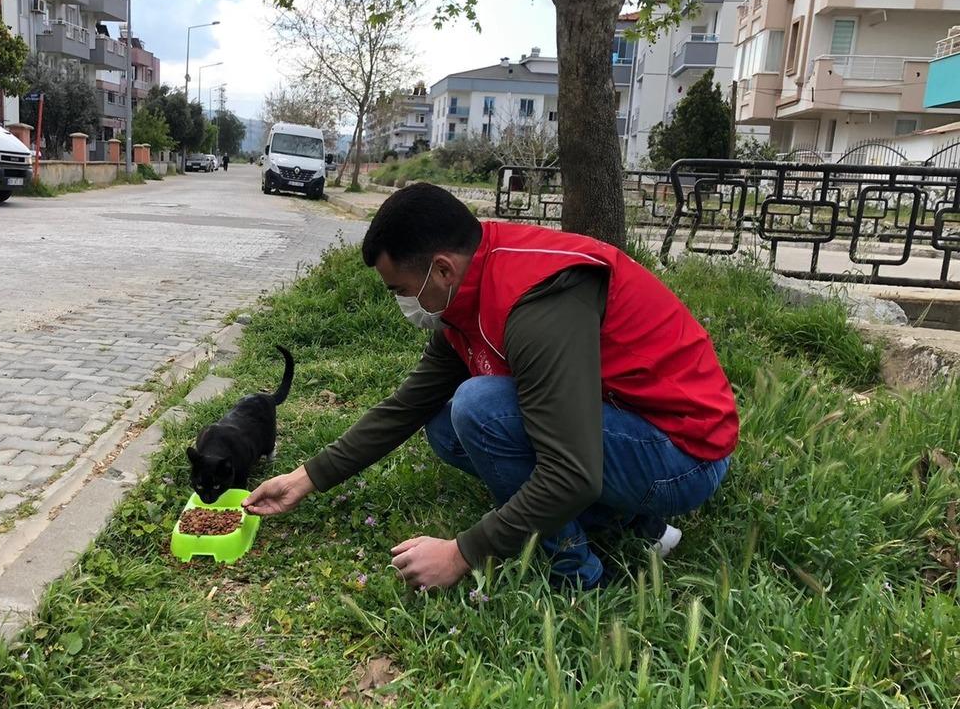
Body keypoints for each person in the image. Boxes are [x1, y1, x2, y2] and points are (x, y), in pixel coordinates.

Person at [244, 184, 738, 591]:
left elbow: (573, 474)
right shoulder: (470, 283)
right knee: (444, 420)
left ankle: (581, 577)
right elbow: (408, 404)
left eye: (398, 289)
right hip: (626, 425)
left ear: (441, 268)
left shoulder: (536, 304)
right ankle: (629, 523)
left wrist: (462, 553)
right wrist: (305, 478)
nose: (400, 302)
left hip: (685, 456)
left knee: (480, 408)